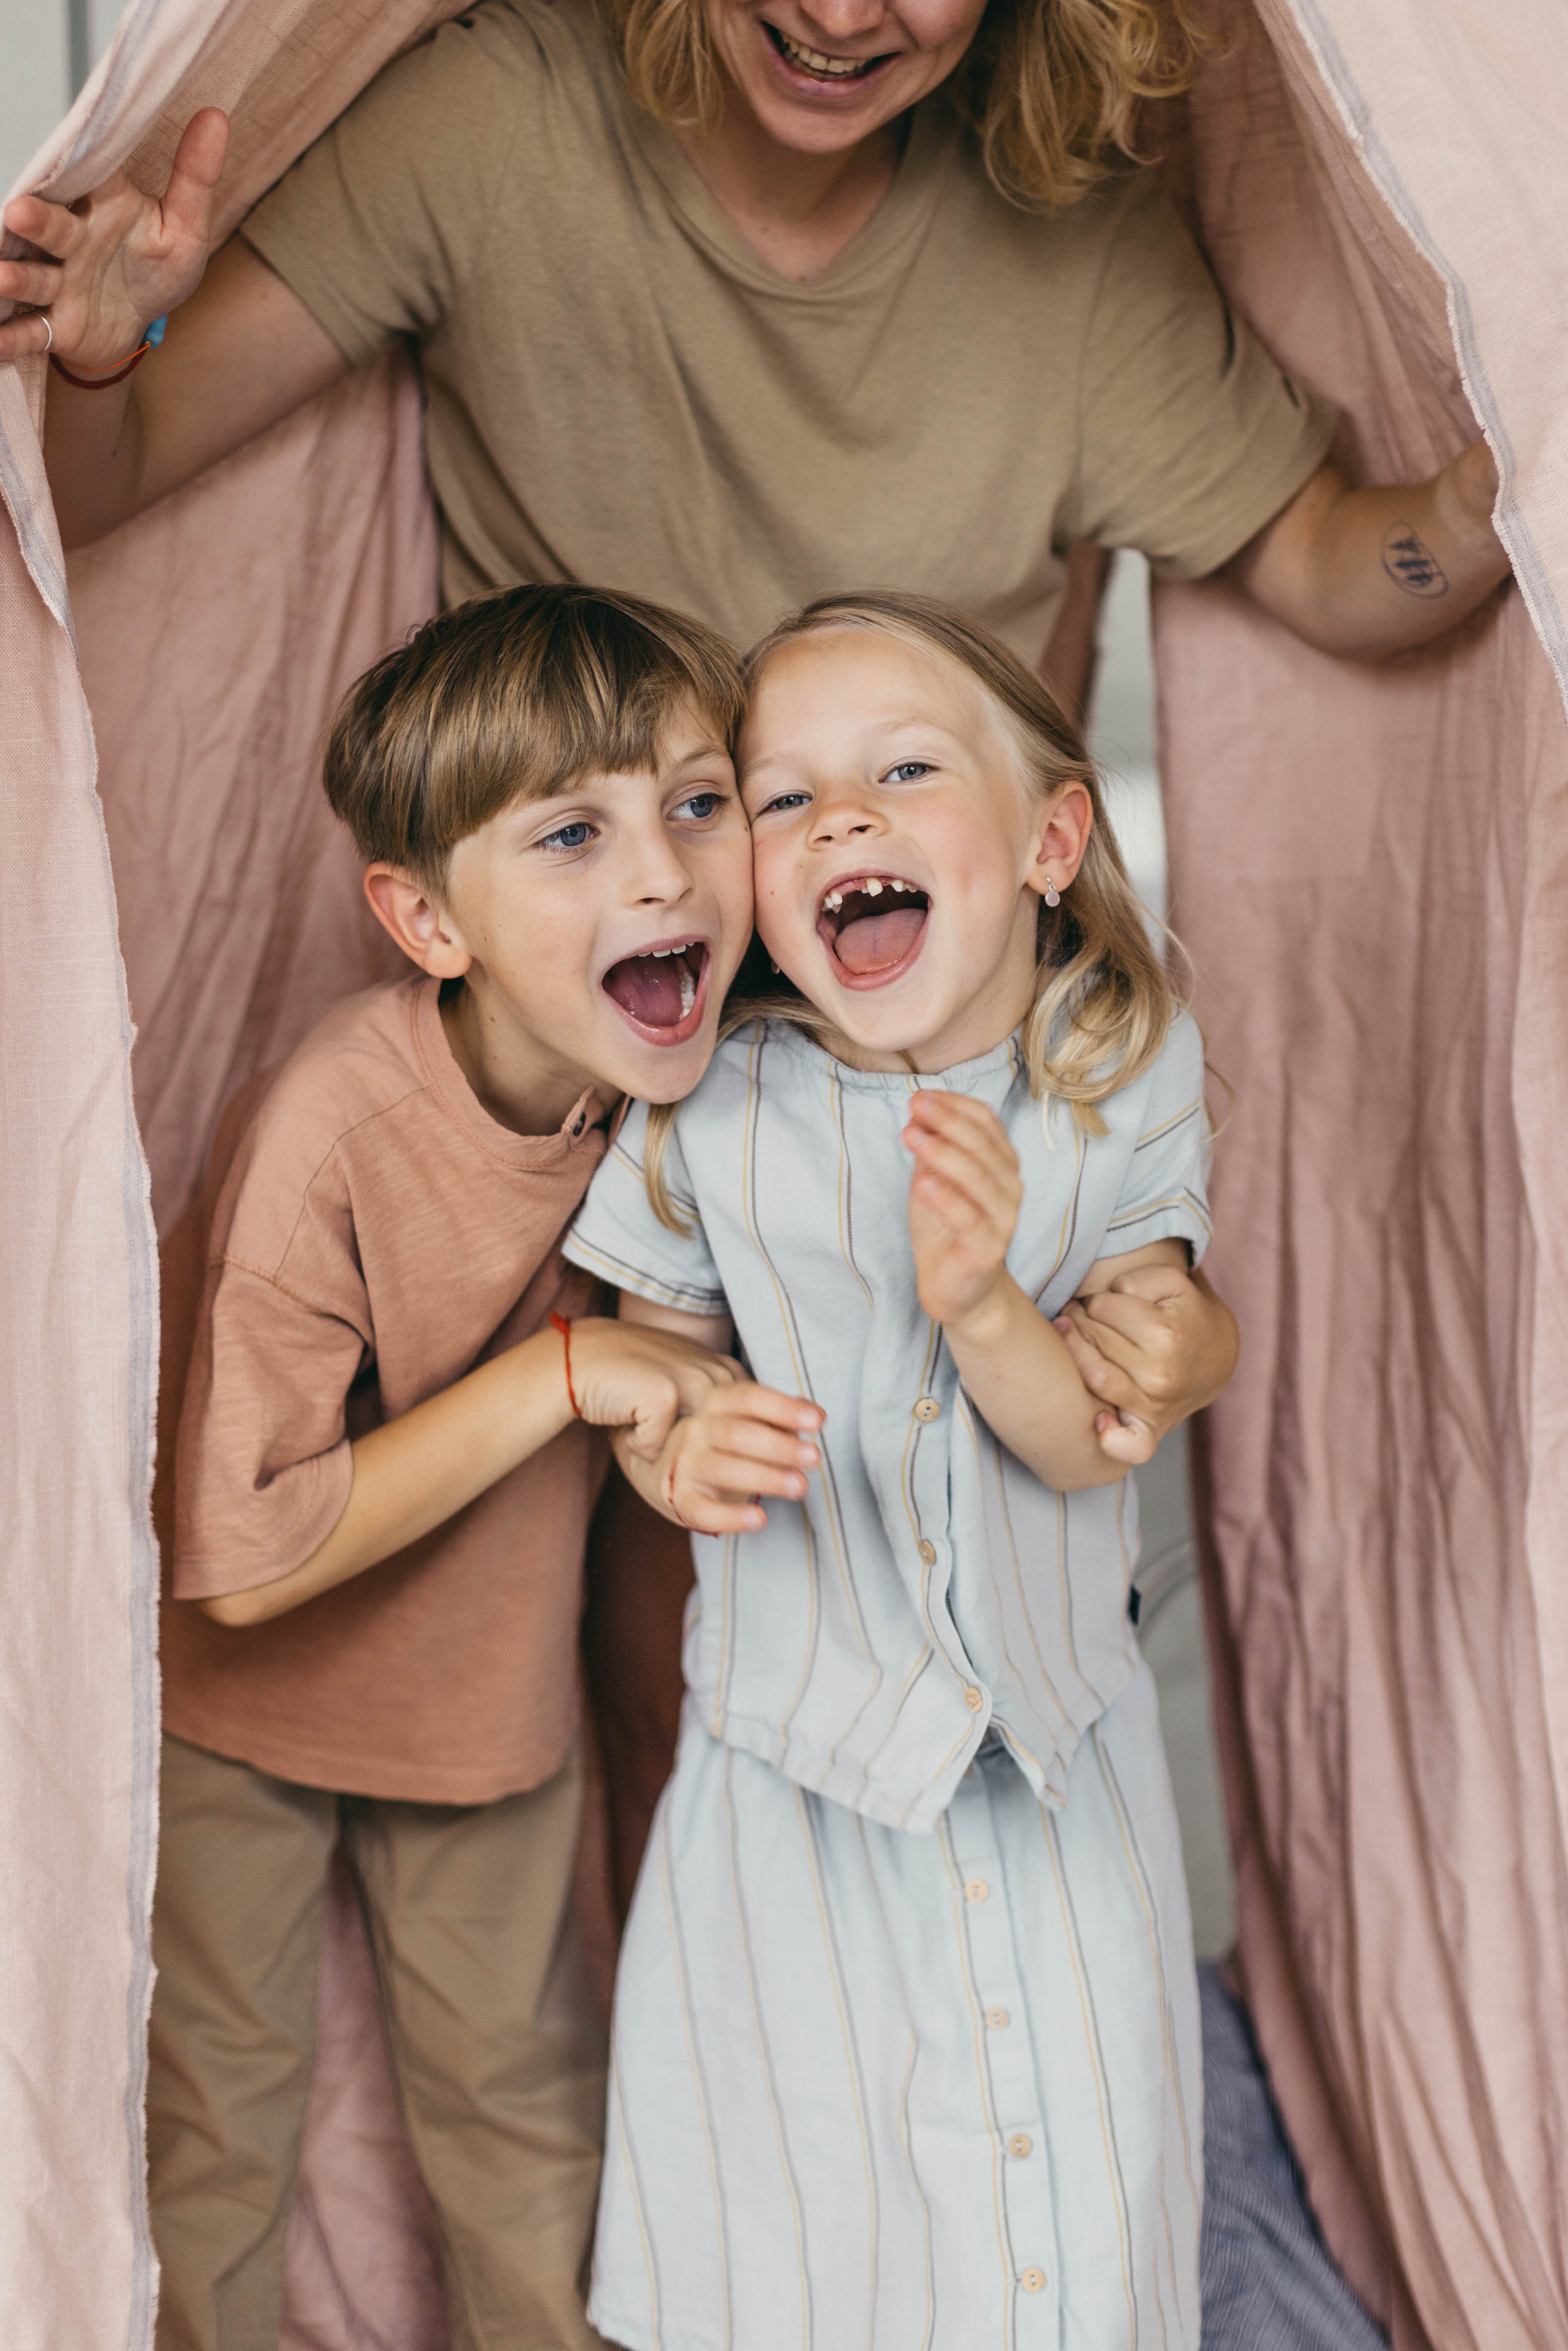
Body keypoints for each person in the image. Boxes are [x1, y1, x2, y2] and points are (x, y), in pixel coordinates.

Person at [561, 589, 1222, 2347]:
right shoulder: (713, 1101)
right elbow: (650, 1356)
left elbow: (1097, 1437)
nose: (839, 818)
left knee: (1080, 2191)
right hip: (795, 1763)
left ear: (1051, 838)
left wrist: (985, 1304)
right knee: (800, 2206)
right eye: (784, 800)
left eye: (904, 770)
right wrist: (676, 1438)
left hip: (1053, 1754)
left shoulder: (1117, 1068)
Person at [151, 583, 764, 2350]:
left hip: (489, 1711)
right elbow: (245, 1561)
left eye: (699, 803)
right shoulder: (329, 1131)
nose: (663, 873)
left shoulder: (706, 1094)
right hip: (237, 1717)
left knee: (524, 2130)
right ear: (427, 920)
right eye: (574, 832)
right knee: (217, 2136)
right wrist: (566, 1376)